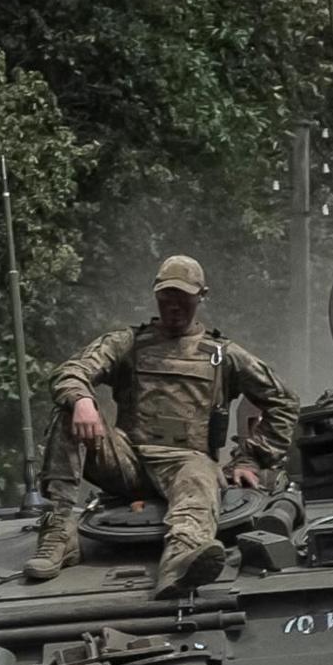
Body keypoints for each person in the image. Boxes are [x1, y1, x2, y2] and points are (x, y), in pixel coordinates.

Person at [26, 255, 300, 595]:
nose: (173, 305)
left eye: (183, 296)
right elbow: (72, 371)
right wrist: (82, 400)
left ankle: (182, 561)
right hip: (127, 461)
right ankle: (59, 534)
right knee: (67, 410)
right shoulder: (128, 343)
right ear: (156, 295)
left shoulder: (222, 354)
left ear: (202, 295)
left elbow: (284, 400)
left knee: (200, 475)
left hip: (187, 463)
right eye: (166, 296)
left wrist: (251, 457)